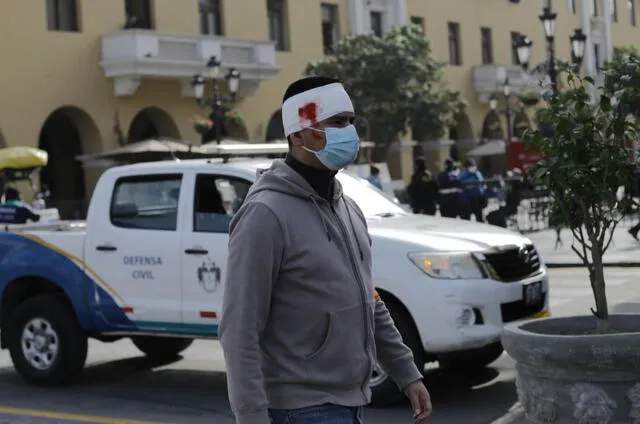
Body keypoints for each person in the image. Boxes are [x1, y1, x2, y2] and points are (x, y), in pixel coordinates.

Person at [219, 76, 431, 424]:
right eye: (335, 122)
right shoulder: (265, 214)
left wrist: (406, 372)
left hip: (349, 402)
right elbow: (239, 329)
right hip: (299, 409)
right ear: (298, 133)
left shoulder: (348, 208)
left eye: (350, 121)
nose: (349, 131)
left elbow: (369, 300)